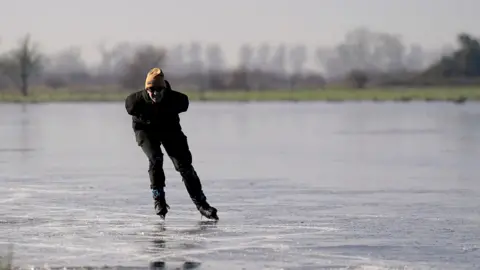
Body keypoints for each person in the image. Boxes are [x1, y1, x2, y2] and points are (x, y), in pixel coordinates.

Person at [124, 67, 218, 221]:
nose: (154, 94)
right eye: (151, 90)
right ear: (146, 89)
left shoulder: (177, 100)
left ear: (165, 89)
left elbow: (184, 104)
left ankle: (202, 205)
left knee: (185, 166)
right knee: (156, 158)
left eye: (159, 90)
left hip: (170, 130)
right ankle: (159, 199)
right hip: (146, 131)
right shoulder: (134, 102)